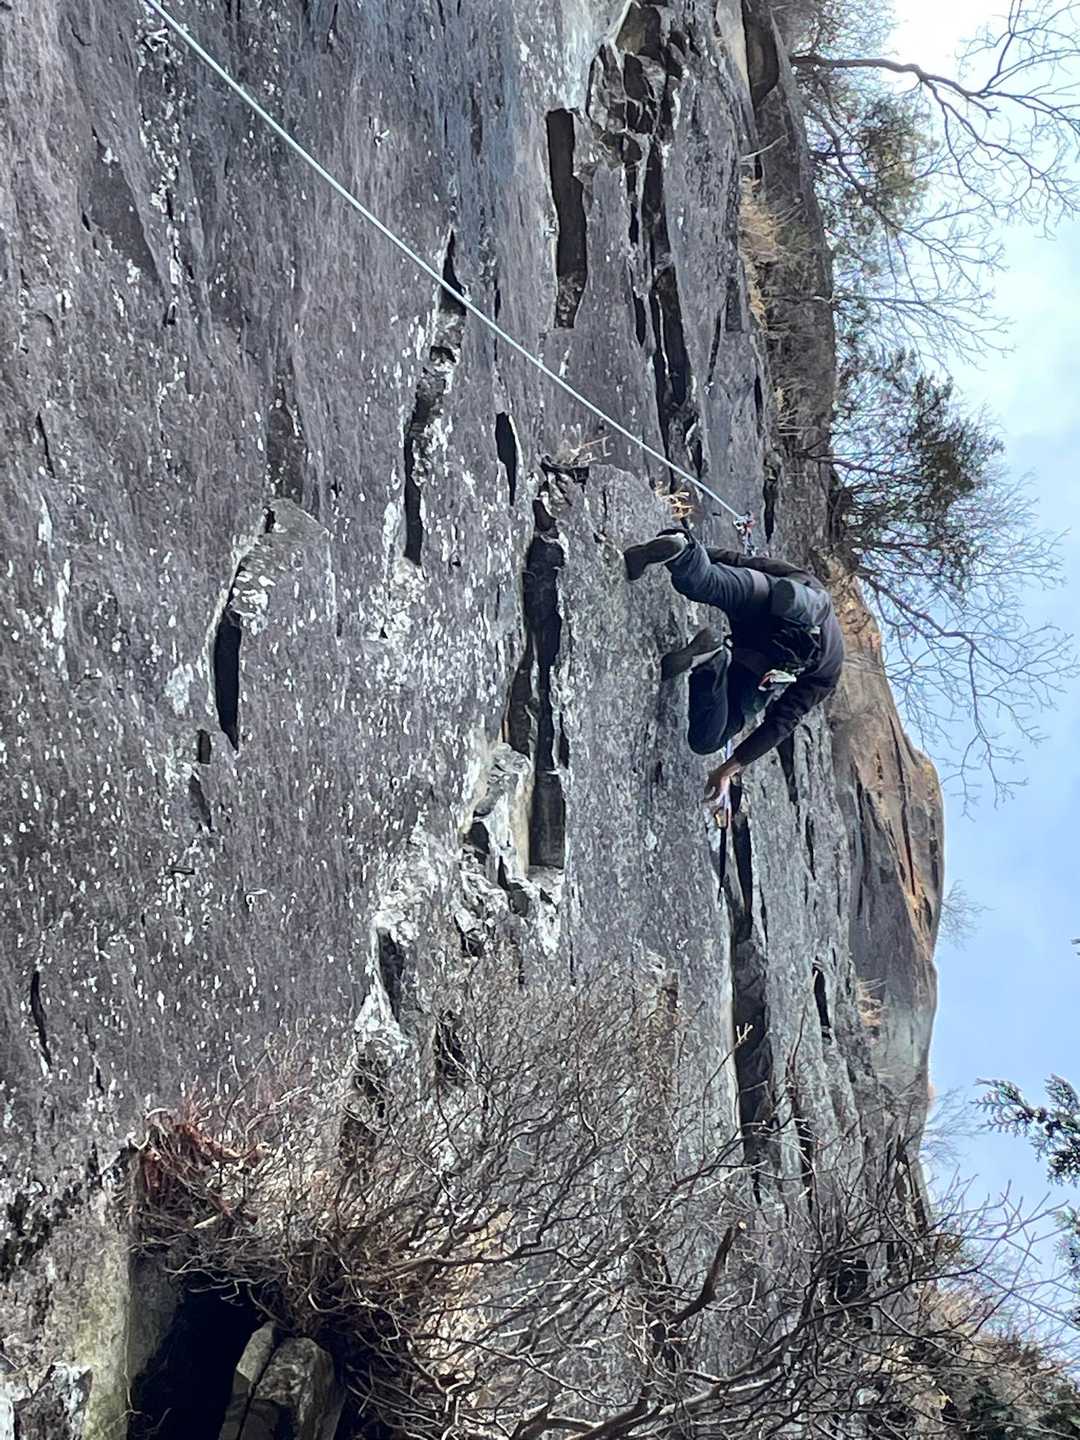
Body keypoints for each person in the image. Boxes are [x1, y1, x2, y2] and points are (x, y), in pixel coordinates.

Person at [624, 530, 844, 804]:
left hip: (764, 594)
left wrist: (695, 549)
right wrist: (727, 769)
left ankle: (682, 551)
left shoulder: (808, 582)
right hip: (762, 663)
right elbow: (782, 722)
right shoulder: (828, 671)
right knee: (707, 739)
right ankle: (711, 660)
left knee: (703, 581)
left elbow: (740, 561)